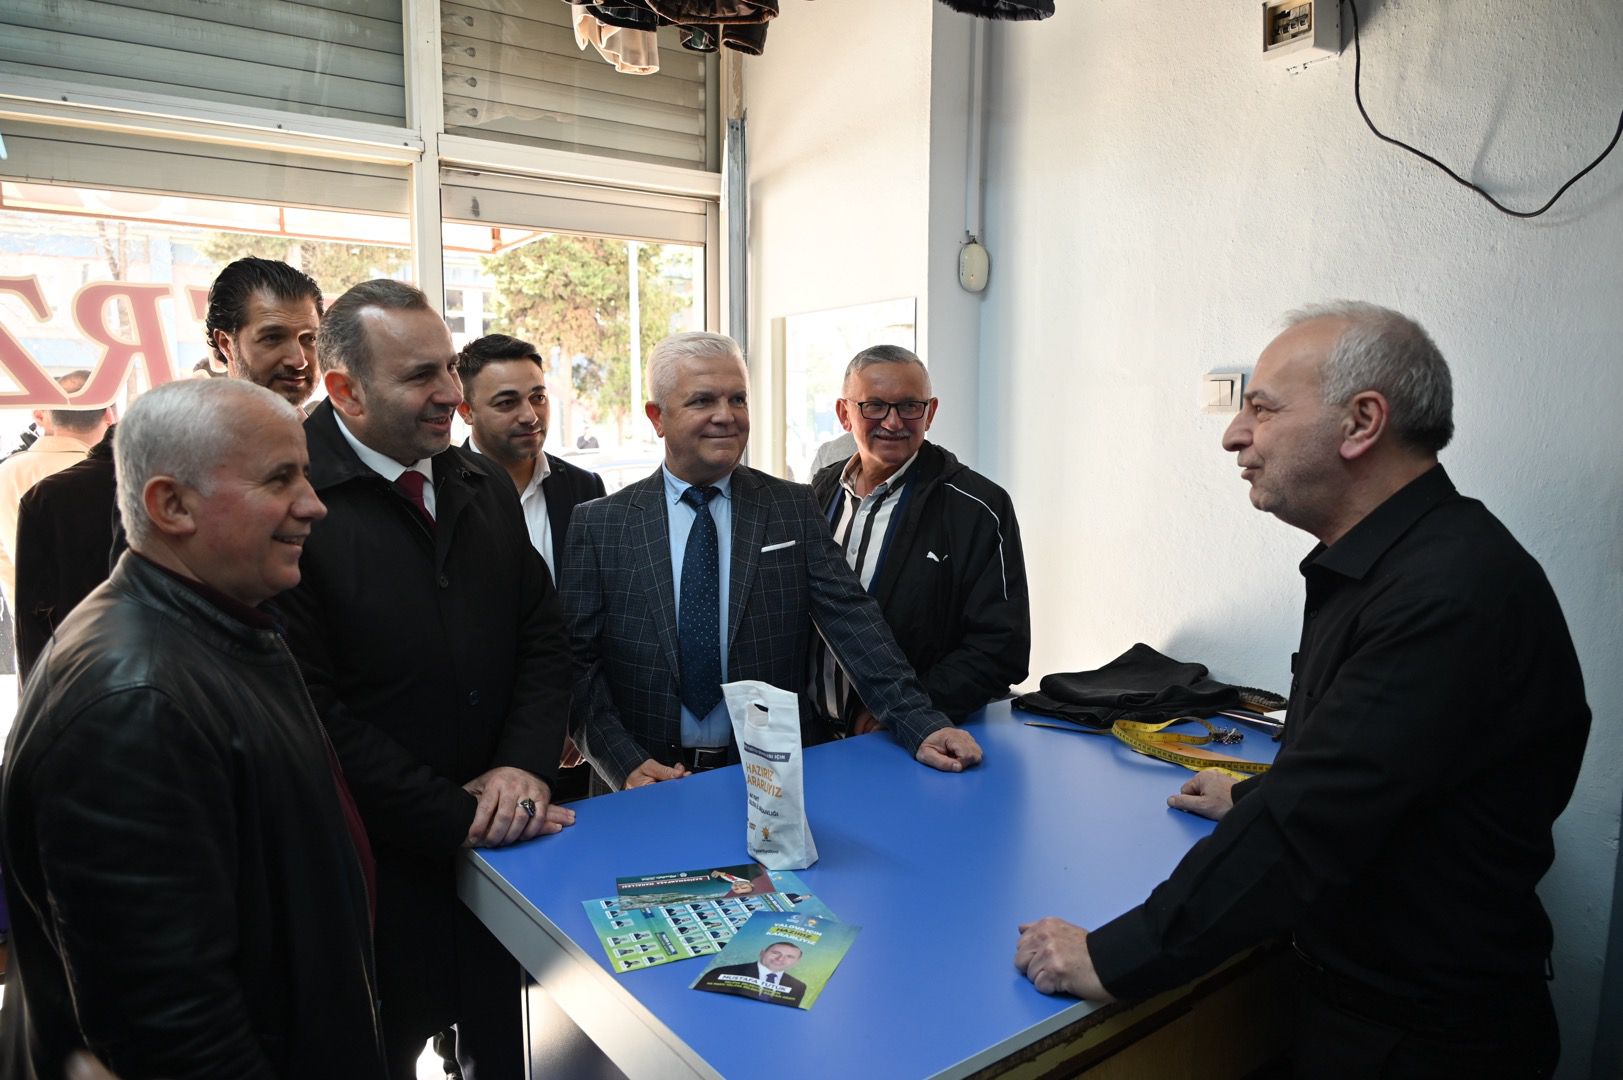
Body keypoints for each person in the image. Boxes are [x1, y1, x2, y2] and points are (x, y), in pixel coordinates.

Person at [1014, 303, 1591, 1078]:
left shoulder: (1446, 593)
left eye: (1262, 409)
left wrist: (1111, 958)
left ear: (1361, 422)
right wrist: (1252, 795)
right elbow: (1379, 773)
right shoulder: (1393, 565)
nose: (1233, 435)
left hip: (1415, 1043)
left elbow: (1309, 826)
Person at [0, 378, 385, 1077]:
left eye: (305, 474)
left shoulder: (212, 627)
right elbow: (174, 1031)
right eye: (280, 479)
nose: (313, 504)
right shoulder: (134, 702)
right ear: (171, 505)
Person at [274, 279, 575, 1078]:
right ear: (345, 390)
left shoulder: (482, 482)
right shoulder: (291, 500)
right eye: (420, 376)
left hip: (506, 859)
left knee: (511, 1050)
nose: (451, 394)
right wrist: (454, 814)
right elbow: (309, 710)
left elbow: (542, 638)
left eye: (448, 367)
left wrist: (521, 768)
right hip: (371, 878)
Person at [561, 331, 982, 794]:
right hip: (643, 786)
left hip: (770, 783)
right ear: (657, 417)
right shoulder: (601, 525)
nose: (726, 415)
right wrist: (623, 764)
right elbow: (578, 666)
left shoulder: (791, 507)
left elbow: (855, 625)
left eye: (737, 399)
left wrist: (920, 723)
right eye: (702, 400)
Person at [809, 344, 1029, 735]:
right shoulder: (816, 495)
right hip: (810, 736)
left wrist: (903, 713)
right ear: (844, 413)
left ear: (930, 412)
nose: (893, 422)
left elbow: (1001, 648)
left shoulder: (978, 508)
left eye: (910, 406)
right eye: (874, 406)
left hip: (907, 738)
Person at [456, 333, 606, 583]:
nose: (530, 416)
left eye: (538, 398)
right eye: (507, 402)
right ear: (466, 411)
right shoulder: (441, 489)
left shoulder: (585, 488)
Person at [0, 370, 112, 612]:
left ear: (46, 414)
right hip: (107, 621)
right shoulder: (113, 474)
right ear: (109, 414)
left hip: (35, 624)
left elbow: (6, 566)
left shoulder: (6, 473)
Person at [12, 424, 117, 682]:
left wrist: (35, 693)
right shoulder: (186, 488)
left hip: (81, 671)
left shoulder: (45, 494)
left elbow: (32, 618)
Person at [203, 257, 323, 407]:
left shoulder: (329, 420)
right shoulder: (193, 421)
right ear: (226, 343)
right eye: (273, 338)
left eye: (310, 338)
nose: (299, 361)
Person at [696, 942, 808, 1006]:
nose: (780, 959)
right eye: (775, 953)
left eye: (789, 957)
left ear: (796, 962)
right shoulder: (721, 972)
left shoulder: (798, 987)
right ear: (762, 953)